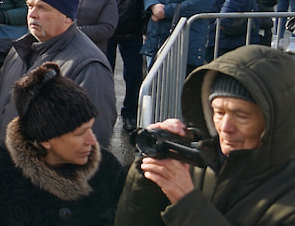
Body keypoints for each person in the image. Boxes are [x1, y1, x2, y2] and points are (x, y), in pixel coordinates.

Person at [115, 46, 295, 225]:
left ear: (276, 121)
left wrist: (186, 201)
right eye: (218, 112)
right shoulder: (197, 163)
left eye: (241, 115)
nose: (225, 127)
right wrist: (151, 170)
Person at [0, 62, 125, 225]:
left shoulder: (107, 169)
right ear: (46, 139)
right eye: (79, 134)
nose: (91, 140)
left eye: (90, 128)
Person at [0, 0, 117, 148]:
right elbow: (0, 105)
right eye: (30, 6)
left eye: (43, 8)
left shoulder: (88, 67)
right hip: (5, 166)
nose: (32, 14)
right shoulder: (19, 49)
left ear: (67, 16)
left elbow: (93, 142)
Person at [105, 0, 153, 131]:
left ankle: (130, 113)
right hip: (108, 30)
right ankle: (104, 114)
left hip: (133, 29)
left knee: (134, 75)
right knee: (104, 73)